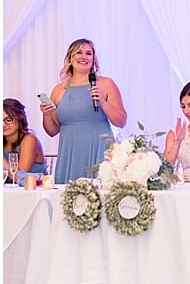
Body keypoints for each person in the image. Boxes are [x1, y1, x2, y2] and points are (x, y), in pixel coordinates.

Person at [40, 39, 127, 184]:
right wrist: (46, 114)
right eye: (79, 52)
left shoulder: (106, 84)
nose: (84, 57)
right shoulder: (58, 90)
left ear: (93, 59)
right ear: (70, 58)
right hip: (70, 151)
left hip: (99, 148)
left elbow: (121, 121)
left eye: (88, 53)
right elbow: (52, 131)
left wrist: (103, 102)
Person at [4, 99, 47, 177]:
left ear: (20, 119)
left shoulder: (29, 140)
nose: (3, 124)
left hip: (35, 184)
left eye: (8, 120)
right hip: (9, 185)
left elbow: (20, 177)